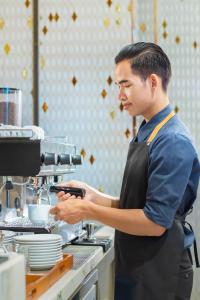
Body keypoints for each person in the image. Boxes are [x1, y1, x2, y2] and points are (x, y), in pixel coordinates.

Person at [50, 42, 200, 300]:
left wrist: (87, 210)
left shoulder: (172, 141)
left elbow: (154, 222)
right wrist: (92, 195)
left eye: (126, 85)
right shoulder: (147, 132)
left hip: (160, 271)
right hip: (140, 264)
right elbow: (138, 204)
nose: (120, 95)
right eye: (118, 86)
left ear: (152, 82)